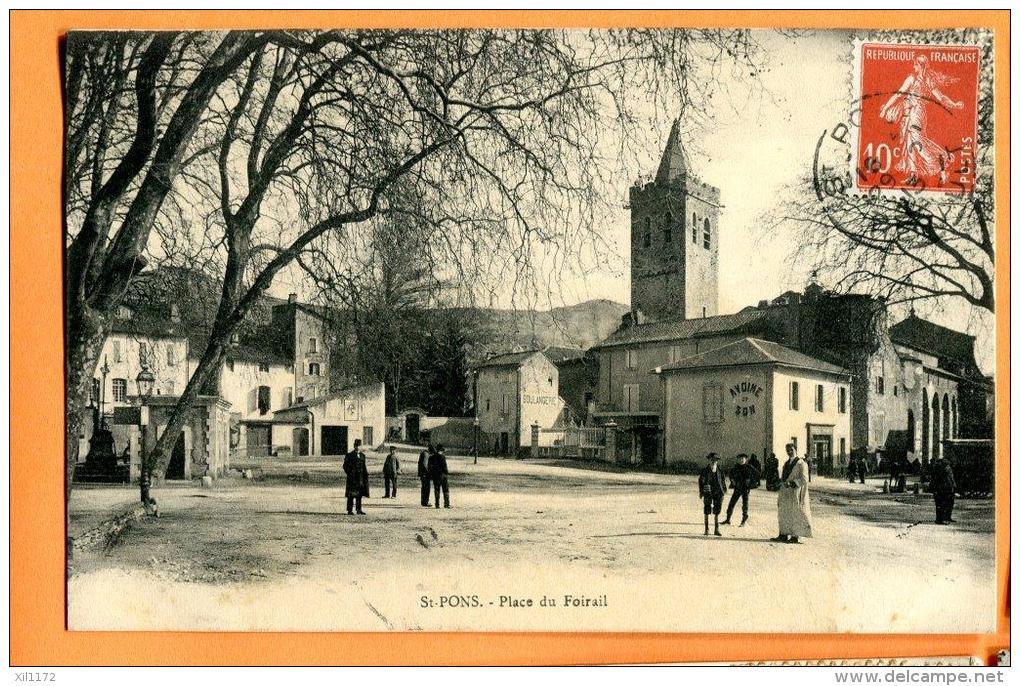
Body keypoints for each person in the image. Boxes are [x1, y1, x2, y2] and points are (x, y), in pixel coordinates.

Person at [773, 443, 812, 543]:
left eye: (791, 450)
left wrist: (792, 483)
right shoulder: (786, 463)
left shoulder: (801, 463)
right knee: (784, 512)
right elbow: (784, 477)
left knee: (795, 513)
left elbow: (804, 479)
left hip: (795, 492)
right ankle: (783, 534)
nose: (789, 452)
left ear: (795, 449)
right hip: (785, 492)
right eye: (787, 450)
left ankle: (796, 536)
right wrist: (780, 482)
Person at [698, 453, 726, 536]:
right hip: (708, 491)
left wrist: (724, 490)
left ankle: (716, 529)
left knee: (717, 510)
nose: (713, 461)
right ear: (709, 460)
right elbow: (701, 481)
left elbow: (723, 481)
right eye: (712, 460)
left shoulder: (720, 470)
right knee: (707, 509)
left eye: (715, 460)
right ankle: (706, 529)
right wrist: (702, 491)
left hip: (718, 492)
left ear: (717, 461)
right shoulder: (704, 470)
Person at [723, 453, 754, 527]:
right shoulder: (735, 467)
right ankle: (728, 519)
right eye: (740, 459)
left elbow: (757, 474)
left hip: (745, 489)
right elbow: (730, 474)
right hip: (737, 488)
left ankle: (743, 521)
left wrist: (750, 482)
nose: (741, 460)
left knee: (745, 505)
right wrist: (732, 480)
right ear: (737, 460)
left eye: (743, 459)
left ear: (746, 460)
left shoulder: (749, 467)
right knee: (731, 503)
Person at [343, 439, 370, 515]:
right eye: (356, 446)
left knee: (359, 494)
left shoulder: (362, 456)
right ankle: (350, 510)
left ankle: (359, 509)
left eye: (359, 446)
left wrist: (365, 476)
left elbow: (364, 467)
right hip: (352, 479)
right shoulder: (349, 455)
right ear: (354, 446)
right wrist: (350, 473)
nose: (358, 447)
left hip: (360, 478)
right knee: (351, 495)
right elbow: (345, 466)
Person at [929, 453, 957, 525]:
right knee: (942, 504)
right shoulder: (943, 468)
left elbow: (951, 479)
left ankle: (946, 517)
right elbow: (948, 479)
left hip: (947, 488)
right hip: (943, 489)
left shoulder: (946, 467)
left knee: (947, 504)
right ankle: (940, 519)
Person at [429, 443, 450, 509]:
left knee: (437, 489)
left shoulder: (431, 457)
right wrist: (446, 473)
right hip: (443, 476)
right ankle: (446, 504)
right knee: (445, 490)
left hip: (436, 476)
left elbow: (430, 467)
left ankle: (437, 504)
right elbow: (445, 467)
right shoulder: (443, 457)